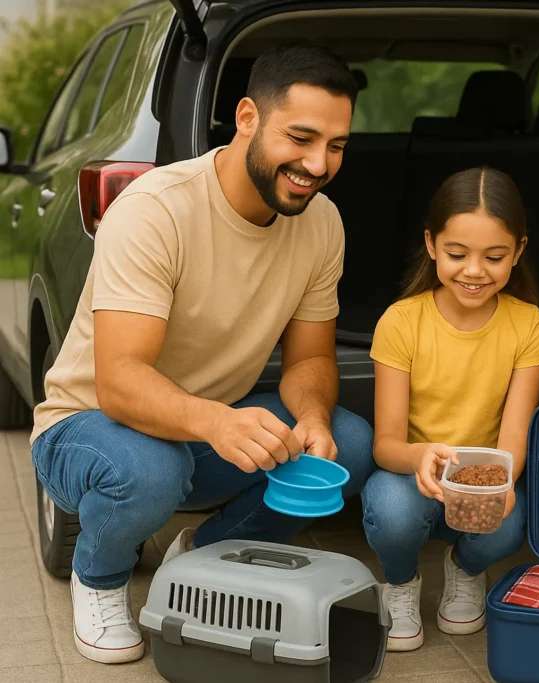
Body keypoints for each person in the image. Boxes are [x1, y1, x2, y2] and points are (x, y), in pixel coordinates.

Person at [29, 42, 376, 664]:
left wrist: (315, 420)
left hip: (205, 429)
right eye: (300, 137)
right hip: (89, 428)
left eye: (337, 146)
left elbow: (309, 363)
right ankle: (100, 579)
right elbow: (120, 382)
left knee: (347, 443)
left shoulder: (322, 223)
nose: (317, 163)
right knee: (149, 471)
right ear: (247, 118)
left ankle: (206, 556)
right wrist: (219, 421)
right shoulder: (156, 209)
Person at [362, 167, 539, 652]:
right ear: (431, 245)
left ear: (519, 252)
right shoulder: (402, 321)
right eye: (457, 254)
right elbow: (386, 445)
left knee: (509, 524)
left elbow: (513, 440)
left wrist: (502, 481)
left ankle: (465, 568)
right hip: (413, 475)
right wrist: (421, 456)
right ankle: (400, 582)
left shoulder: (529, 325)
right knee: (390, 509)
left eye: (494, 257)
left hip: (483, 477)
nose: (474, 271)